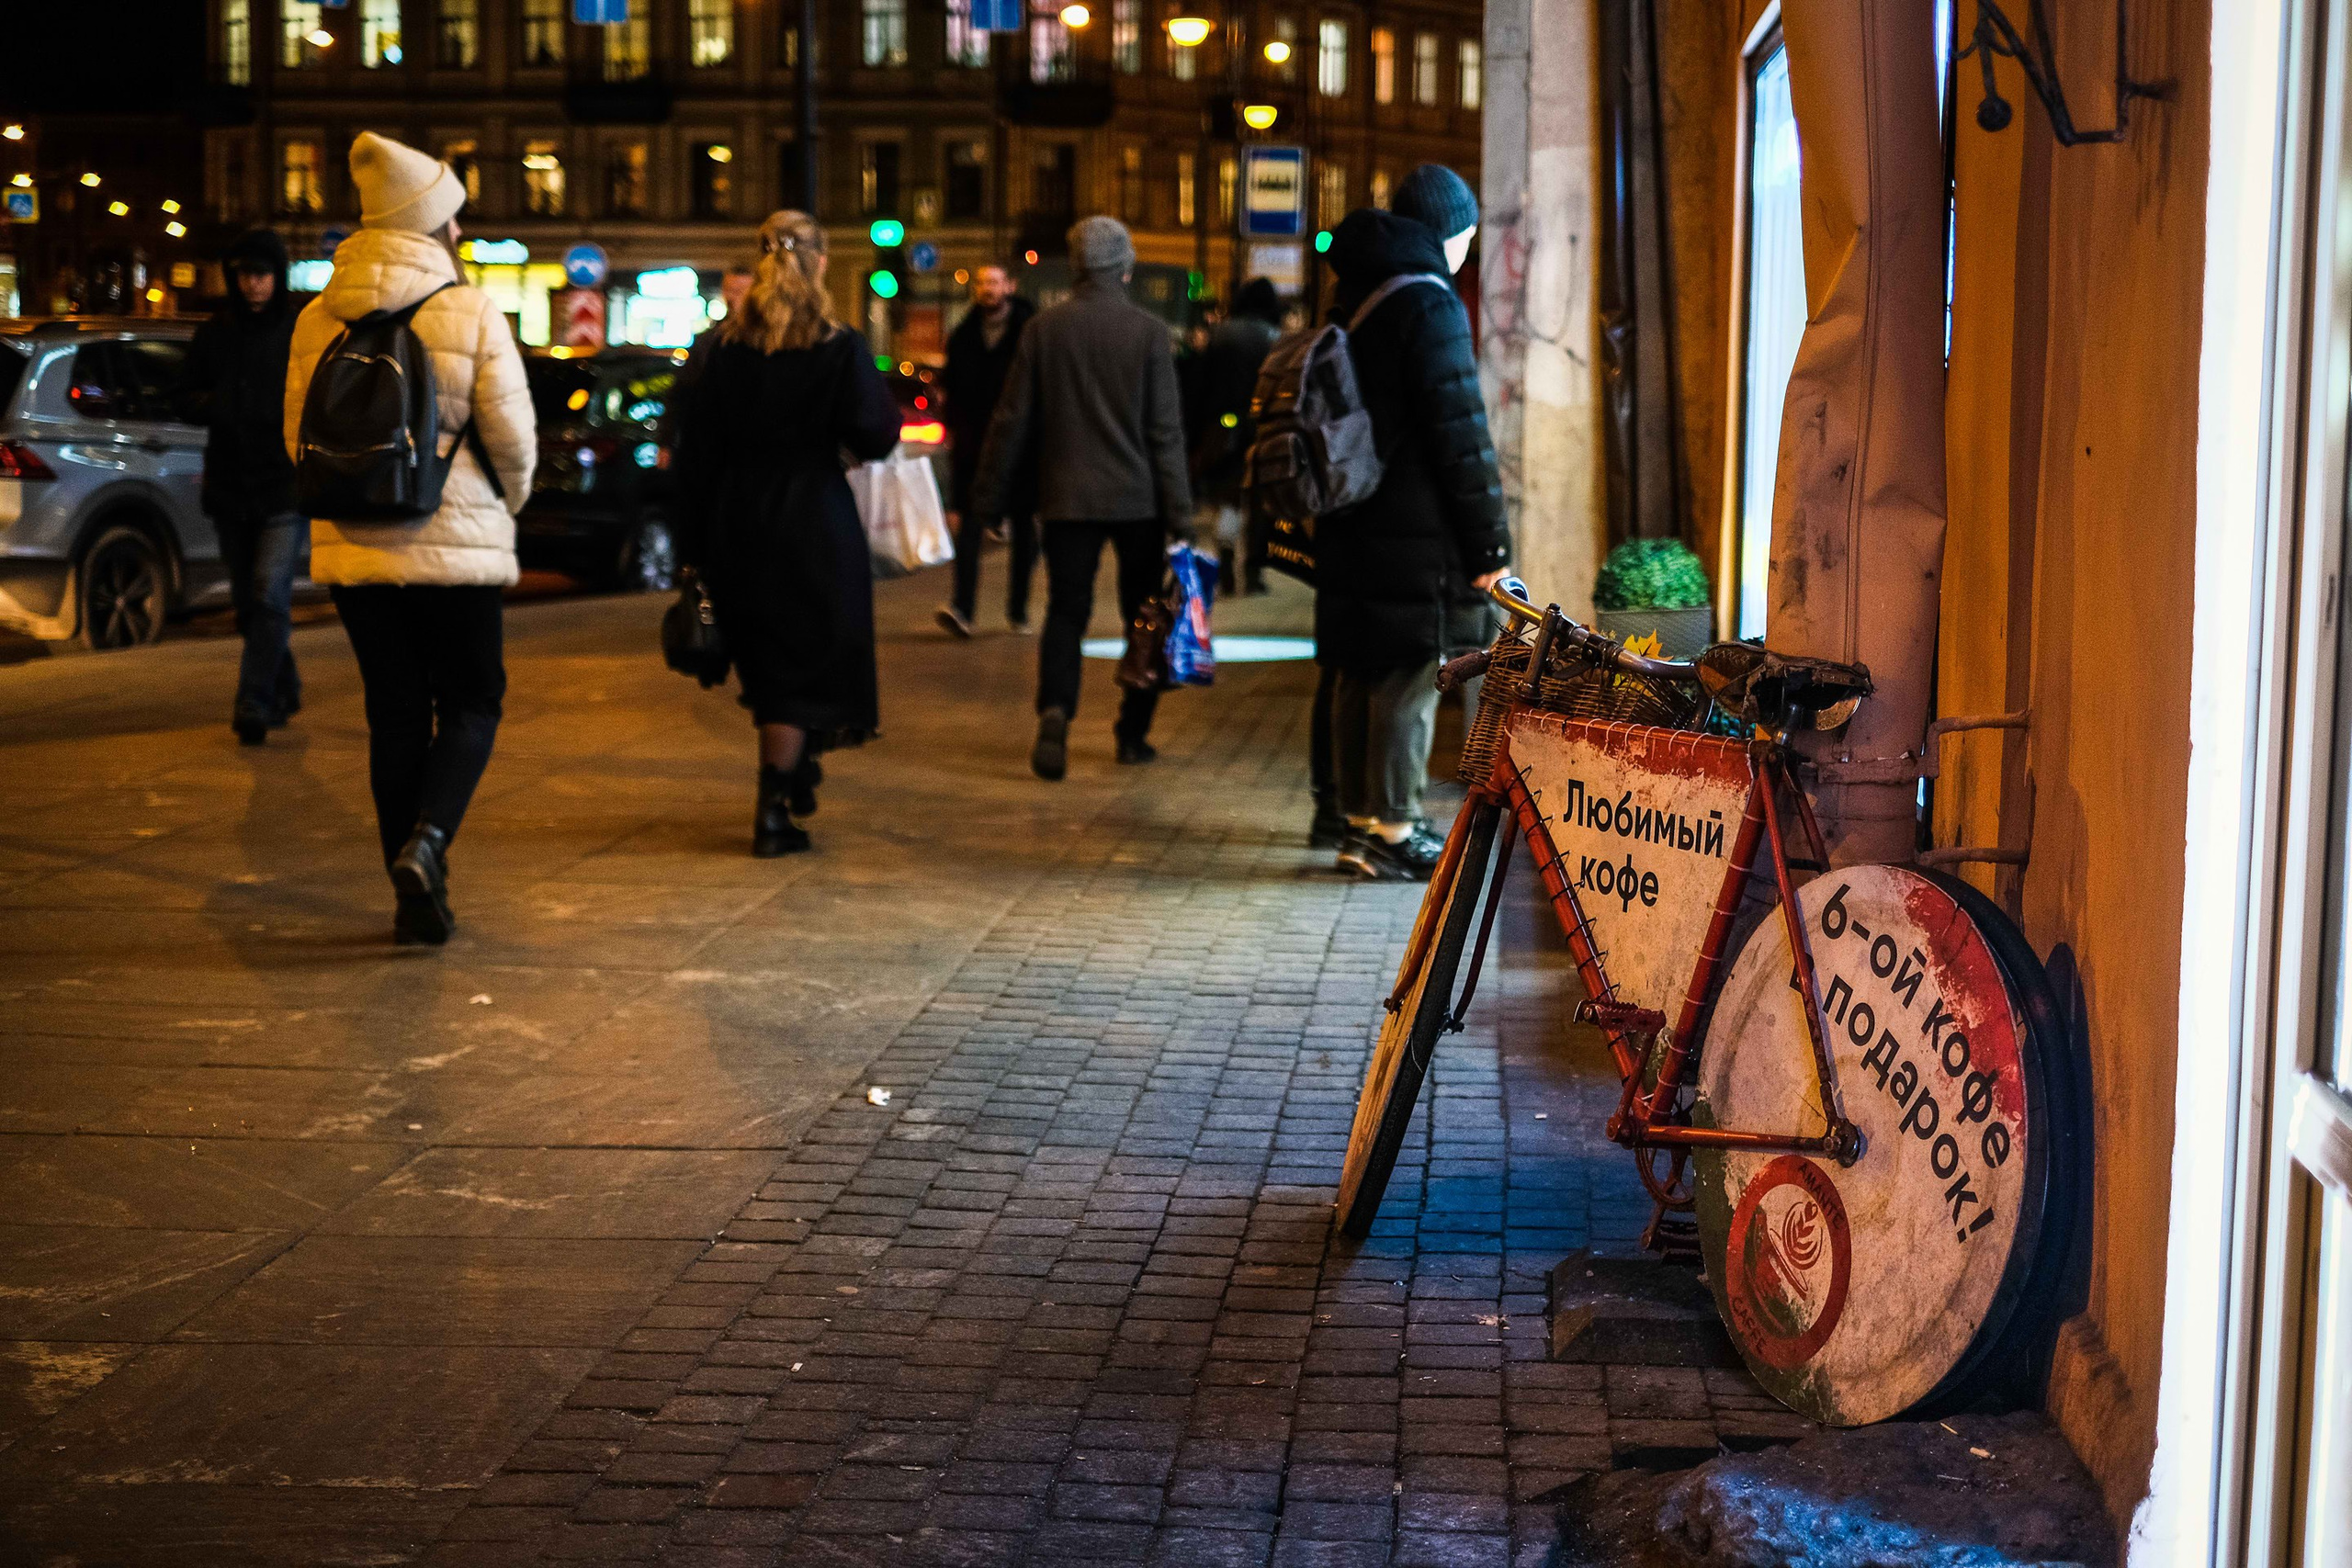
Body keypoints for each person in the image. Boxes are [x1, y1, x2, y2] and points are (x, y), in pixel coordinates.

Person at [283, 132, 536, 943]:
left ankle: (412, 895)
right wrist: (505, 509)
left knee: (394, 715)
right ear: (435, 224)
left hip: (356, 547)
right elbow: (514, 441)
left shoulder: (315, 317)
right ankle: (429, 843)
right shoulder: (468, 308)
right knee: (473, 700)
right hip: (454, 549)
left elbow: (297, 440)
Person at [675, 209, 901, 856]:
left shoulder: (724, 350)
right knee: (815, 658)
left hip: (739, 521)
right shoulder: (839, 345)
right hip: (814, 520)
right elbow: (878, 432)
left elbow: (697, 455)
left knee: (772, 664)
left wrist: (692, 552)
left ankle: (792, 778)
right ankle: (775, 801)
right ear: (822, 263)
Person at [1317, 164, 1512, 880]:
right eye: (1467, 232)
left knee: (1359, 672)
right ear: (1450, 230)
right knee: (1407, 674)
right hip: (1415, 529)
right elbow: (1460, 434)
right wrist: (1489, 542)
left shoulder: (1352, 293)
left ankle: (1360, 822)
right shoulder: (1431, 302)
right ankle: (1395, 827)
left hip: (1353, 514)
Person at [969, 216, 1192, 780]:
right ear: (1126, 267)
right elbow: (1166, 432)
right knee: (1144, 615)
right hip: (1137, 502)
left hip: (1065, 496)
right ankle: (1132, 732)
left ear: (1076, 267)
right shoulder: (1148, 333)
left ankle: (1054, 712)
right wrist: (1181, 516)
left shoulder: (1044, 330)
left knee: (1067, 611)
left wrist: (988, 502)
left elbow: (1011, 422)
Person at [184, 228, 302, 745]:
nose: (255, 284)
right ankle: (286, 683)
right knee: (249, 605)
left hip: (283, 487)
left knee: (268, 591)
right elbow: (183, 396)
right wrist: (218, 406)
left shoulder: (297, 330)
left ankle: (252, 698)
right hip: (232, 488)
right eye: (247, 275)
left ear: (278, 277)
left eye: (264, 274)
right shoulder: (216, 333)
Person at [935, 265, 1037, 637]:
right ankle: (962, 608)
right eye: (981, 283)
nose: (987, 289)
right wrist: (955, 432)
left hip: (1021, 446)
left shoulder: (1029, 330)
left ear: (1009, 286)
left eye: (994, 282)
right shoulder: (963, 335)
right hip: (974, 447)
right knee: (969, 529)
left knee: (1025, 529)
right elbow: (952, 389)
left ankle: (1018, 610)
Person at [1191, 276, 1286, 596]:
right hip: (1262, 429)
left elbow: (1201, 387)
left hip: (1223, 427)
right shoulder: (1274, 338)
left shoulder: (1220, 334)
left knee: (1229, 500)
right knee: (1258, 503)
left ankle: (1226, 568)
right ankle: (1254, 573)